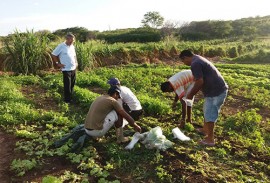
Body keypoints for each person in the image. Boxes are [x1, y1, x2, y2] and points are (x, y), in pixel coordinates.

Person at [179, 50, 228, 146]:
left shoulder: (195, 63)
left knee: (210, 113)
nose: (184, 63)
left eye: (183, 61)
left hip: (216, 92)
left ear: (185, 57)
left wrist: (191, 94)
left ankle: (210, 139)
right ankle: (205, 130)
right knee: (207, 109)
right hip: (214, 90)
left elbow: (199, 81)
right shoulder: (198, 59)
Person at [51, 32, 78, 103]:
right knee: (67, 85)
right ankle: (67, 100)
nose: (72, 42)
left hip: (73, 68)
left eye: (73, 41)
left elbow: (74, 55)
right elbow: (54, 54)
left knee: (72, 84)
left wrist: (76, 62)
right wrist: (58, 63)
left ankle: (70, 97)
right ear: (67, 39)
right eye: (71, 41)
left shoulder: (72, 46)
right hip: (66, 69)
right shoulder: (61, 46)